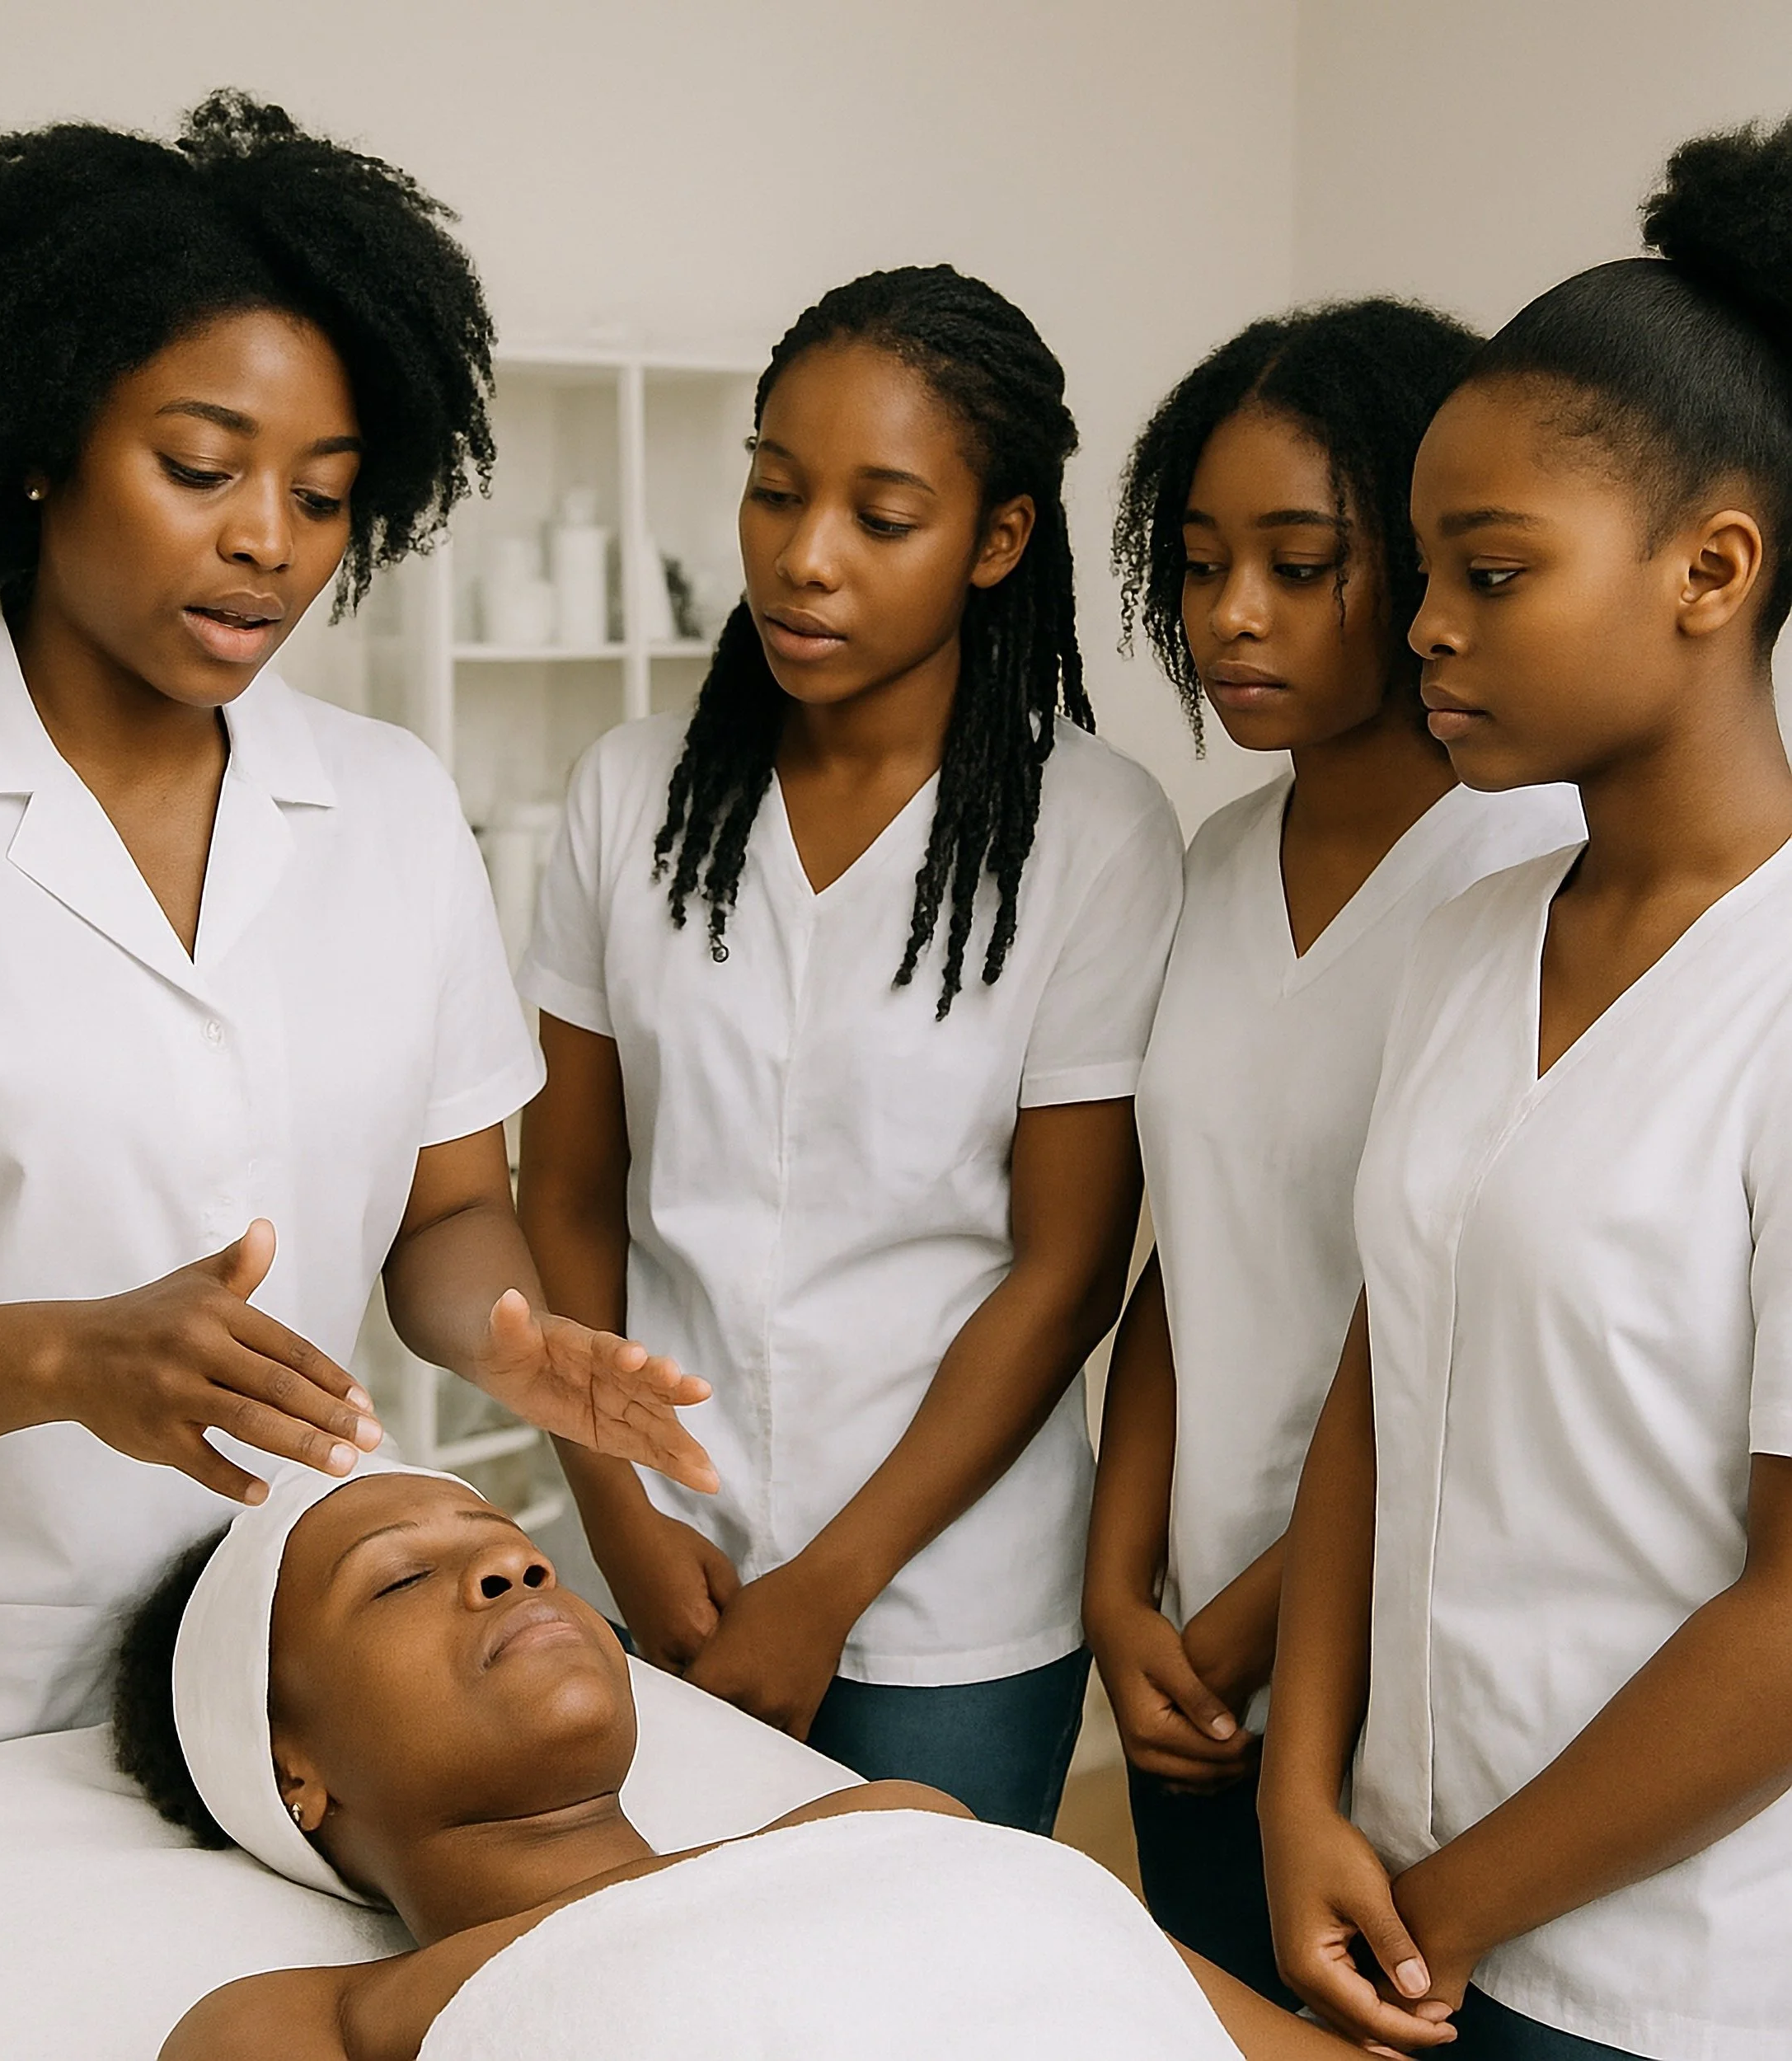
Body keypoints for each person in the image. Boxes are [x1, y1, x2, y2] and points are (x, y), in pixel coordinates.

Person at [0, 92, 711, 1964]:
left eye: (325, 493)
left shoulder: (386, 799)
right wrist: (62, 1359)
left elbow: (441, 1214)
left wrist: (515, 1340)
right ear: (37, 445)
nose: (268, 542)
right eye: (201, 465)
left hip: (270, 1708)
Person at [514, 265, 1183, 1831]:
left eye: (881, 521)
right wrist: (612, 1503)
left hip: (949, 1606)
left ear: (996, 541)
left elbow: (1068, 1266)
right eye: (772, 493)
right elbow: (567, 1195)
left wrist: (831, 1583)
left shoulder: (1091, 833)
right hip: (659, 1554)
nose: (803, 561)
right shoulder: (632, 794)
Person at [1260, 117, 1792, 2059]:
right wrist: (1295, 1790)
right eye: (1423, 572)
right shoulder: (1475, 930)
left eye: (1489, 573)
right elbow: (1373, 1378)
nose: (1420, 629)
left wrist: (1445, 1903)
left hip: (1645, 1973)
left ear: (1708, 570)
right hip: (1379, 1887)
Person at [1085, 301, 1582, 2002]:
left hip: (1386, 1654)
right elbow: (1189, 1242)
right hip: (1185, 1653)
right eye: (1202, 558)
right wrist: (1118, 1580)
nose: (1230, 614)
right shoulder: (1214, 858)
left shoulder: (1531, 870)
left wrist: (1236, 1631)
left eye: (1299, 564)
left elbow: (1452, 1328)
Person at [116, 1462, 1354, 2059]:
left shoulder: (888, 1819)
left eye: (513, 1546)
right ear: (292, 1772)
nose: (518, 1566)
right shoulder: (309, 2025)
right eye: (397, 1579)